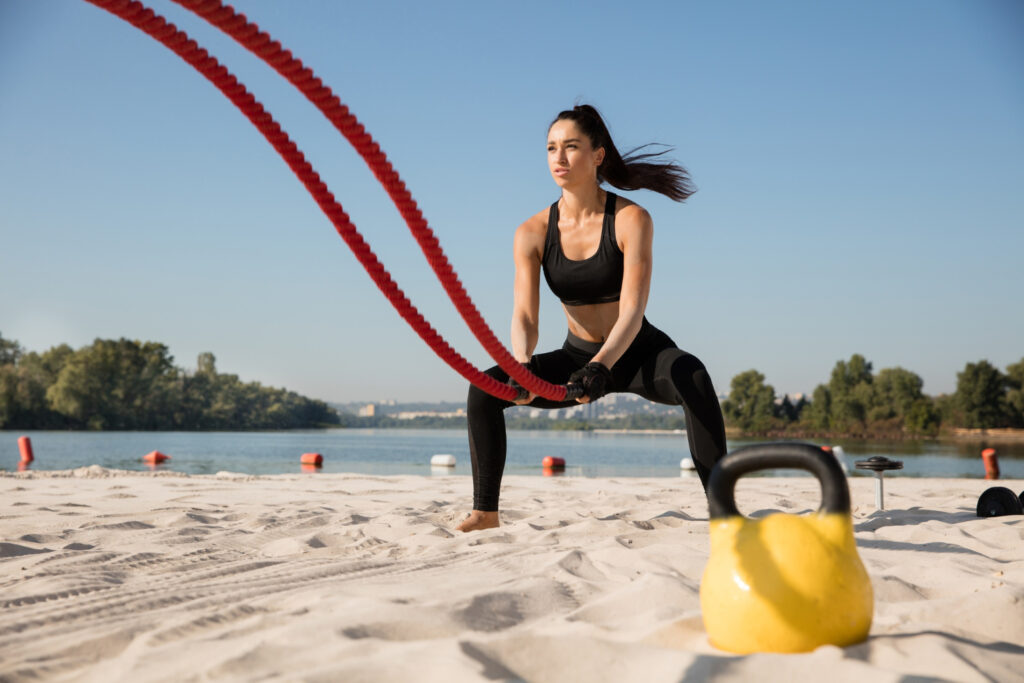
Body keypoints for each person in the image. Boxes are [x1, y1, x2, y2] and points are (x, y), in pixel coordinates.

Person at [457, 104, 726, 532]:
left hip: (635, 351)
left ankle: (724, 512)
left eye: (571, 147)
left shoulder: (631, 219)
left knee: (692, 374)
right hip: (576, 356)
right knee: (484, 390)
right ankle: (485, 512)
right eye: (550, 148)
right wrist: (522, 364)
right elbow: (525, 314)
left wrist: (602, 365)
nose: (558, 159)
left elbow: (633, 308)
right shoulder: (531, 232)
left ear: (598, 155)